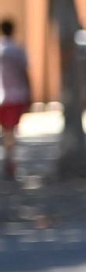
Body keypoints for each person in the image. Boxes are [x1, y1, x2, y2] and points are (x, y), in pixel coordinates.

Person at [0, 19, 32, 180]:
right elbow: (25, 72)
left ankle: (8, 158)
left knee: (7, 131)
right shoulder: (18, 50)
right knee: (11, 130)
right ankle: (9, 160)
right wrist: (30, 93)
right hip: (16, 95)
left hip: (3, 96)